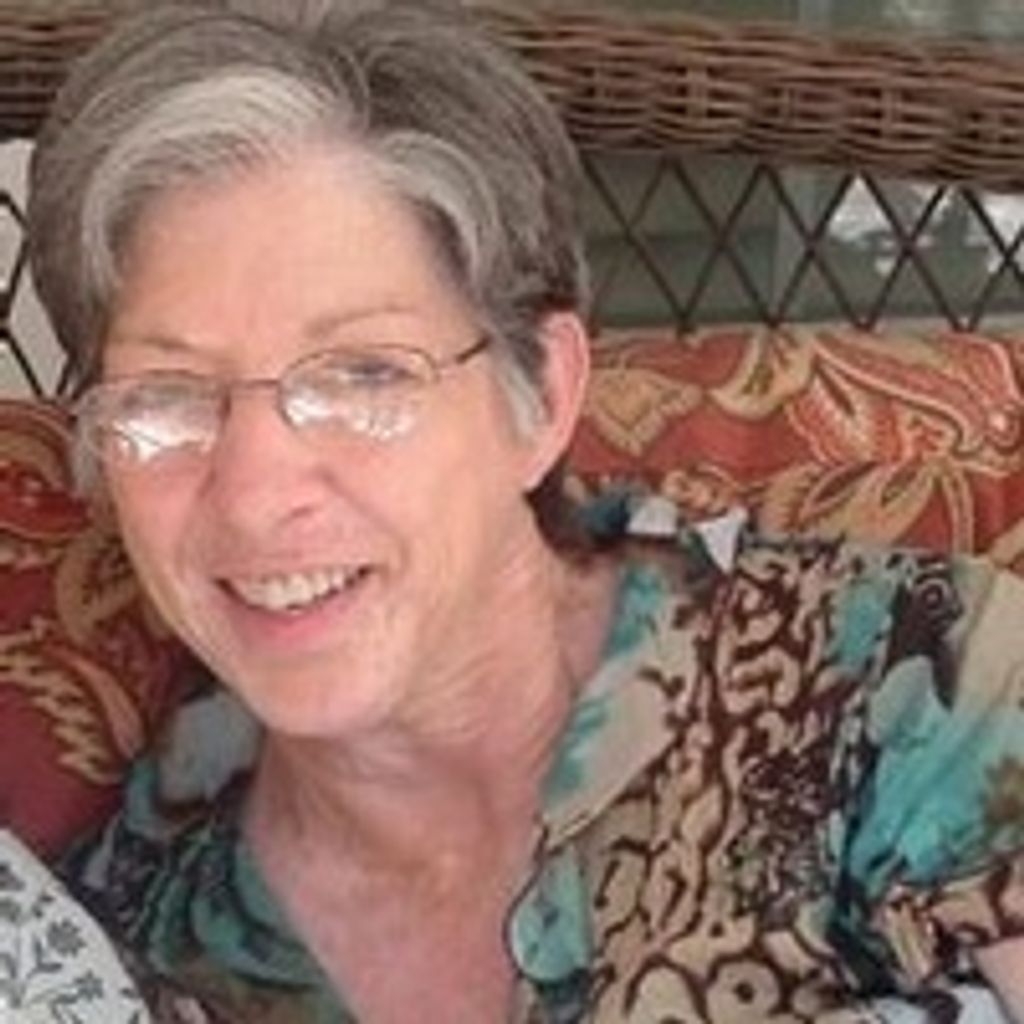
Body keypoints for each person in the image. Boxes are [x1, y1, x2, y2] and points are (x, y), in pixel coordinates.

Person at [25, 1, 1024, 1021]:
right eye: (165, 396)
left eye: (364, 374)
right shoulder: (110, 948)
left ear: (540, 395)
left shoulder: (907, 683)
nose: (254, 493)